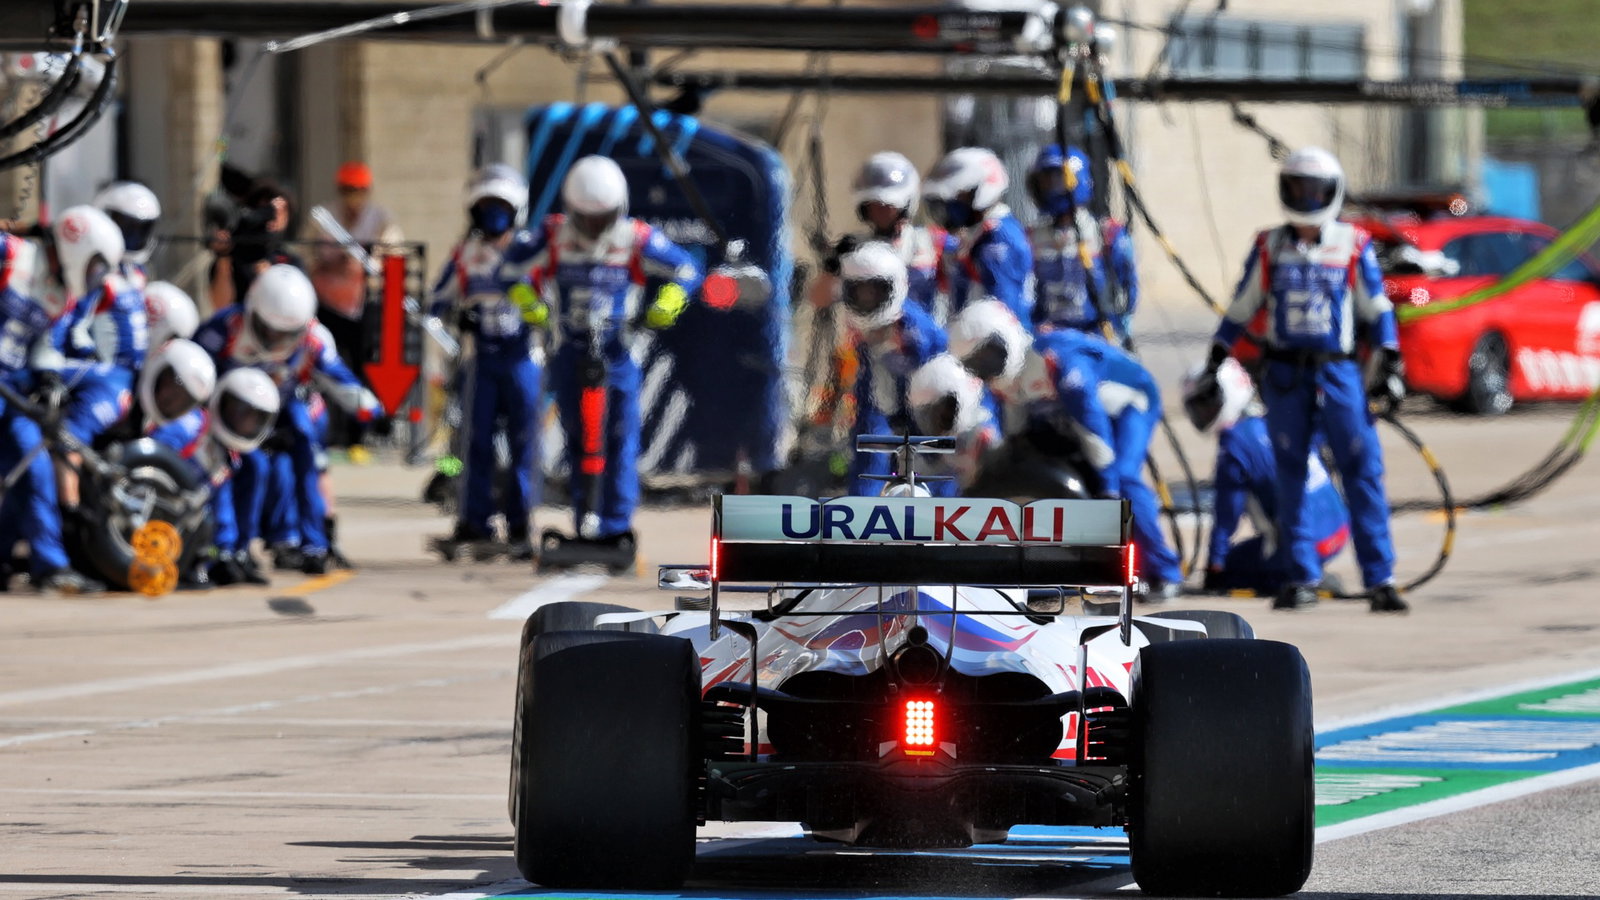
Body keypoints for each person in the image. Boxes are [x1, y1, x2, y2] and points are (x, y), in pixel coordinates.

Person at [1194, 146, 1405, 613]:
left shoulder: (1353, 244)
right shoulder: (1269, 245)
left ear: (1332, 192)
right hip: (1285, 374)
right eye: (1296, 187)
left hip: (1338, 370)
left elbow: (1378, 309)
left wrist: (1390, 362)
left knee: (1362, 467)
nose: (1305, 197)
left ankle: (1380, 577)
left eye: (1314, 189)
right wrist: (1214, 361)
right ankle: (1302, 575)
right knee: (1290, 473)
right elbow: (1241, 307)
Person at [500, 155, 704, 544]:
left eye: (602, 218)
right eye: (586, 218)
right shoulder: (553, 234)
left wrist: (667, 305)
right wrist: (533, 307)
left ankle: (616, 523)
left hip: (619, 350)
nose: (594, 227)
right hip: (569, 349)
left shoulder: (636, 237)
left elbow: (688, 269)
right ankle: (584, 520)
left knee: (620, 435)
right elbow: (508, 271)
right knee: (578, 436)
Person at [947, 299, 1184, 600]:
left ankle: (1165, 571)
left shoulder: (1057, 359)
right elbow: (1016, 429)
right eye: (977, 363)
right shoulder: (1005, 378)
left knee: (1122, 479)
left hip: (1127, 403)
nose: (988, 367)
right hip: (1074, 416)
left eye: (990, 354)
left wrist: (1108, 487)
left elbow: (1091, 421)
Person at [195, 264, 382, 578]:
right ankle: (232, 547)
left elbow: (339, 377)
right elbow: (193, 372)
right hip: (229, 416)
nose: (275, 340)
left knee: (307, 446)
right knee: (252, 466)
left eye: (285, 333)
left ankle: (313, 544)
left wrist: (370, 409)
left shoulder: (313, 339)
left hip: (281, 410)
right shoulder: (223, 329)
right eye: (268, 329)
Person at [0, 208, 128, 592]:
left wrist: (51, 378)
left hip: (12, 388)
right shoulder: (10, 255)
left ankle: (49, 566)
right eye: (95, 266)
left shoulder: (62, 298)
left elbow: (41, 347)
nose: (94, 277)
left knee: (36, 464)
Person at [429, 164, 542, 560]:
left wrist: (534, 312)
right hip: (480, 360)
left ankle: (522, 523)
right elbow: (436, 301)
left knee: (523, 445)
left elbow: (551, 305)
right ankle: (474, 520)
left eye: (500, 205)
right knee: (474, 442)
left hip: (523, 357)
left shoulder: (532, 249)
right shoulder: (464, 254)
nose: (492, 213)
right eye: (485, 205)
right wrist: (455, 321)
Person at [1181, 358, 1350, 597]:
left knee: (1234, 567)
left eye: (1207, 403)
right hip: (1340, 530)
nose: (1203, 413)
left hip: (1310, 543)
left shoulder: (1235, 445)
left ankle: (1300, 578)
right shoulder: (1277, 418)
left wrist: (1215, 565)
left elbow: (1227, 515)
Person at [833, 242, 949, 497]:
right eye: (860, 292)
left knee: (936, 463)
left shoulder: (919, 334)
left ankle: (942, 520)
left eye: (874, 291)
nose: (866, 299)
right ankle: (861, 517)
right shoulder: (861, 324)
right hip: (879, 399)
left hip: (924, 407)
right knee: (869, 447)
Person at [152, 367, 280, 587]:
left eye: (254, 418)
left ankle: (219, 557)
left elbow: (222, 506)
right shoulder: (189, 425)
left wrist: (224, 552)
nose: (246, 422)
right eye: (240, 411)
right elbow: (149, 463)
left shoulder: (227, 451)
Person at [309, 161, 404, 460]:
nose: (353, 197)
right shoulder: (324, 216)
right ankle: (328, 432)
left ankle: (358, 436)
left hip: (363, 304)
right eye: (348, 190)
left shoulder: (379, 218)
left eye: (359, 191)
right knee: (328, 367)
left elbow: (394, 250)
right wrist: (330, 261)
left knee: (363, 367)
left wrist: (371, 256)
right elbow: (308, 253)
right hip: (328, 303)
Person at [816, 152, 954, 321]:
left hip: (924, 337)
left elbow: (967, 278)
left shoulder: (933, 241)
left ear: (905, 204)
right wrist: (833, 267)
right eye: (874, 205)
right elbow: (818, 298)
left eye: (889, 205)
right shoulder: (854, 249)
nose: (881, 211)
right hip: (867, 339)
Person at [1024, 144, 1136, 339]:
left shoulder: (1107, 234)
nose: (1048, 188)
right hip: (1049, 340)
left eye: (1055, 180)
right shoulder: (1032, 236)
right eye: (1044, 181)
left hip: (1097, 337)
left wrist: (1116, 328)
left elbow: (1127, 291)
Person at [921, 147, 1032, 325]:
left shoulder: (997, 239)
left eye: (960, 196)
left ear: (982, 189)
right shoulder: (978, 232)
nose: (949, 206)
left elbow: (1003, 311)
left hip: (990, 342)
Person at [906, 353, 1001, 492]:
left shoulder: (984, 437)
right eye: (926, 413)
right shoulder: (934, 448)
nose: (939, 418)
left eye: (945, 407)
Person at [210, 179, 303, 309]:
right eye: (263, 211)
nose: (268, 220)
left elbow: (297, 306)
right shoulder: (233, 255)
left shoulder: (291, 262)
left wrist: (270, 278)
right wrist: (223, 258)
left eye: (274, 213)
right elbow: (221, 306)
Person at [93, 181, 162, 289]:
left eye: (141, 230)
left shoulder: (140, 273)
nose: (133, 237)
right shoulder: (88, 264)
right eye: (126, 227)